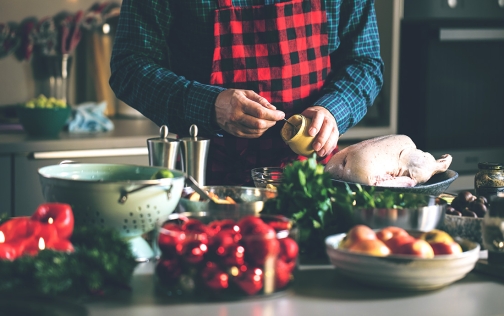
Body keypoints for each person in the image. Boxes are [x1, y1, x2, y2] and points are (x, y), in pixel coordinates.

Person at [109, 0, 383, 186]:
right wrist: (209, 106)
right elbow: (129, 65)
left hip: (313, 183)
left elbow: (365, 61)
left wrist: (333, 111)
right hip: (205, 183)